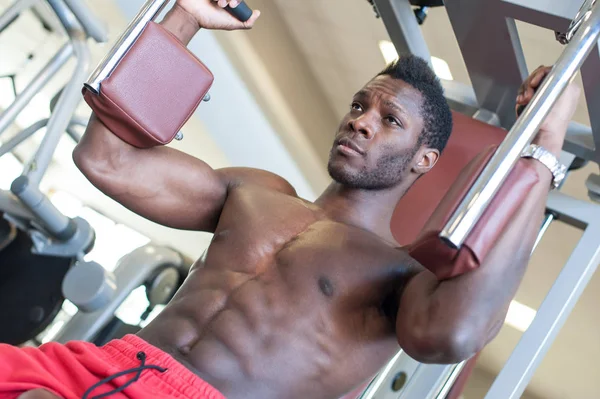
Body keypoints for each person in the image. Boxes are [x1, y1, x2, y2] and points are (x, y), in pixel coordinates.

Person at [0, 1, 581, 398]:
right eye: (359, 106)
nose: (360, 123)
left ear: (423, 160)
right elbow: (106, 159)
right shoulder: (257, 191)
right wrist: (182, 17)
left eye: (388, 120)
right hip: (108, 365)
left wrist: (544, 152)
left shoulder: (401, 274)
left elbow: (454, 335)